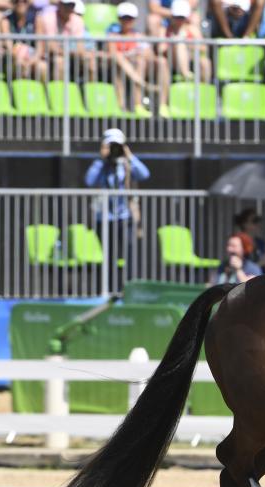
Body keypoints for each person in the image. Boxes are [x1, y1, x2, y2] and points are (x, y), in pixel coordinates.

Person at [84, 128, 150, 282]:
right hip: (104, 218)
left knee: (130, 253)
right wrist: (102, 159)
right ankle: (110, 288)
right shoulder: (99, 164)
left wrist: (129, 156)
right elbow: (89, 180)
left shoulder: (126, 163)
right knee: (109, 255)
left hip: (124, 216)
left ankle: (130, 287)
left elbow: (145, 174)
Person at [108, 1, 171, 117]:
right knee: (130, 61)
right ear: (119, 19)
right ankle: (137, 103)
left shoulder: (139, 36)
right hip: (122, 69)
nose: (127, 21)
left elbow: (149, 55)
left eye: (130, 18)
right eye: (124, 18)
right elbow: (113, 54)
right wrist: (133, 55)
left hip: (140, 67)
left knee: (160, 62)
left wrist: (134, 55)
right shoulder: (113, 36)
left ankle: (163, 105)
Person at [35, 0, 94, 82]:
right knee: (59, 62)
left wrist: (68, 52)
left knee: (90, 61)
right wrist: (70, 52)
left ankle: (89, 93)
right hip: (52, 57)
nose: (69, 8)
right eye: (66, 5)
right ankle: (60, 93)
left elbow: (80, 48)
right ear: (59, 4)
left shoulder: (78, 20)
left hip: (73, 57)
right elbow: (51, 47)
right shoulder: (49, 18)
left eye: (71, 5)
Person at [156, 0, 210, 82]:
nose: (179, 20)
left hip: (190, 58)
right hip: (172, 61)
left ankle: (204, 90)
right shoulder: (164, 30)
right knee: (179, 44)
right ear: (172, 16)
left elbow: (204, 48)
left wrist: (187, 44)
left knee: (205, 62)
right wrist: (173, 44)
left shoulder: (192, 29)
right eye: (177, 17)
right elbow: (161, 49)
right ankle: (186, 75)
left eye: (182, 17)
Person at [0, 0, 46, 80]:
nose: (20, 2)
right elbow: (9, 47)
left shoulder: (37, 19)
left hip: (31, 58)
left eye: (24, 0)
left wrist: (30, 62)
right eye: (17, 1)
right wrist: (19, 57)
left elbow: (40, 49)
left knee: (42, 67)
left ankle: (45, 92)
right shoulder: (6, 20)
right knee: (18, 64)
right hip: (13, 58)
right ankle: (17, 91)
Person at [233, 208, 265, 272]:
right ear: (245, 224)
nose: (258, 224)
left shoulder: (261, 243)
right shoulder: (237, 242)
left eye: (258, 220)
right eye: (254, 221)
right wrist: (260, 263)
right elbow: (237, 269)